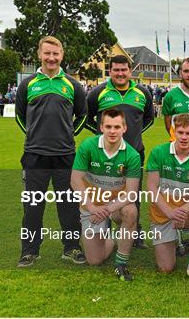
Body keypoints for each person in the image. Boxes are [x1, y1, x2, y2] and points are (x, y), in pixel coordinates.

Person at [15, 36, 87, 267]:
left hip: (65, 155)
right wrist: (34, 135)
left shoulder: (72, 85)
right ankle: (30, 250)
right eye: (47, 53)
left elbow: (82, 115)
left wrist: (67, 135)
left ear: (62, 55)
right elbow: (19, 115)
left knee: (68, 205)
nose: (51, 58)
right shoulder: (28, 84)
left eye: (55, 54)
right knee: (33, 206)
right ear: (39, 54)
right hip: (35, 155)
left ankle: (72, 248)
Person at [86, 54, 154, 249]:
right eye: (116, 70)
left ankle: (135, 234)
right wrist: (103, 137)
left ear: (130, 71)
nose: (120, 73)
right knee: (104, 196)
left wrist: (133, 135)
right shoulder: (97, 93)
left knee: (133, 196)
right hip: (105, 157)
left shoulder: (143, 93)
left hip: (133, 155)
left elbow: (148, 118)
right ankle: (104, 234)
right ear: (110, 71)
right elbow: (88, 118)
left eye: (124, 70)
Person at [71, 109, 140, 281]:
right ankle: (111, 239)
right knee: (95, 260)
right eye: (108, 126)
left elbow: (131, 194)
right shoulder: (88, 146)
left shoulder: (132, 155)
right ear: (101, 127)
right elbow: (75, 180)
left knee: (130, 212)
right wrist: (92, 207)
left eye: (117, 126)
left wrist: (107, 210)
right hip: (92, 205)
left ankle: (121, 262)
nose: (112, 131)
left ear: (124, 128)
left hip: (115, 205)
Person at [147, 114, 189, 283]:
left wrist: (181, 211)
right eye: (180, 132)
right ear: (173, 132)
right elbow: (152, 189)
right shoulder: (158, 153)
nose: (184, 137)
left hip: (185, 213)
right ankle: (176, 241)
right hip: (163, 213)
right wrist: (169, 212)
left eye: (188, 133)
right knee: (166, 268)